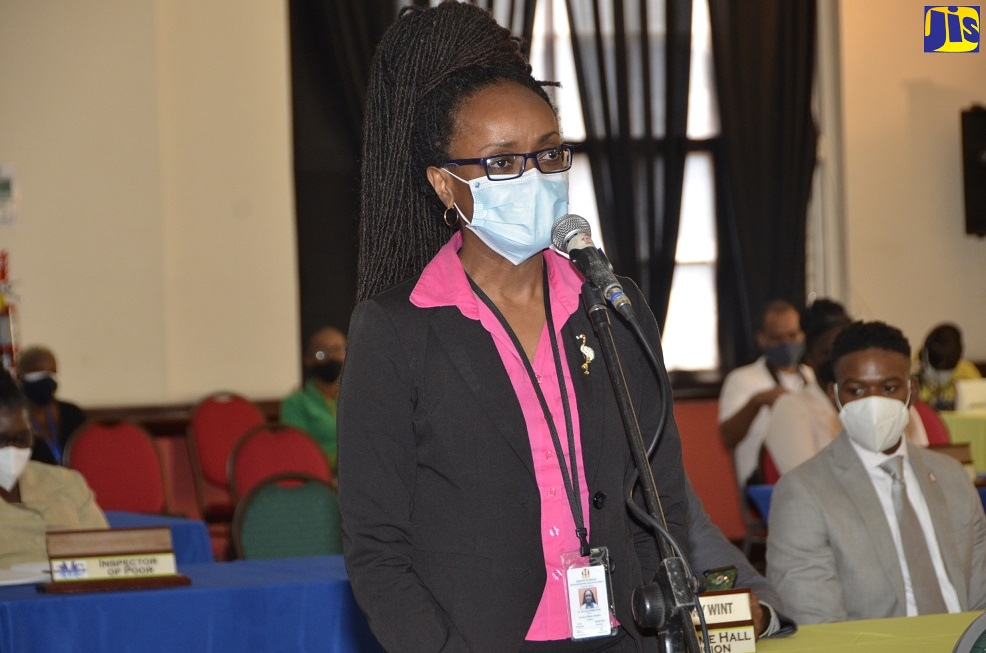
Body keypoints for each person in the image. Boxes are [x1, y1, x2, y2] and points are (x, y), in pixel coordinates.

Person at [337, 4, 690, 651]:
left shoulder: (611, 304)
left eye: (549, 154)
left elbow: (660, 498)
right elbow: (377, 548)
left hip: (621, 633)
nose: (534, 177)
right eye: (502, 163)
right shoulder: (396, 331)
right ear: (445, 184)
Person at [766, 321, 986, 624]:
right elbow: (816, 623)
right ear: (835, 395)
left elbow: (981, 597)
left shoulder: (952, 478)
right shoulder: (803, 494)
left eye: (889, 388)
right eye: (856, 390)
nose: (873, 403)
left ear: (912, 391)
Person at [763, 300, 931, 477]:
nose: (836, 362)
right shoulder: (790, 408)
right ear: (809, 357)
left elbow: (923, 470)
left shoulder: (895, 403)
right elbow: (808, 482)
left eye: (844, 353)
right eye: (828, 353)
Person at [0, 368, 107, 569]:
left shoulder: (67, 483)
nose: (11, 450)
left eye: (21, 439)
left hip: (74, 588)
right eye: (1, 440)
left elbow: (106, 557)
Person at [719, 300, 813, 486]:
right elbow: (728, 437)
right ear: (761, 339)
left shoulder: (811, 377)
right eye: (777, 338)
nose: (786, 343)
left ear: (802, 335)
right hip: (763, 486)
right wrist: (757, 401)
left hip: (807, 481)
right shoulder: (742, 379)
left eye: (792, 335)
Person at [280, 326, 347, 474]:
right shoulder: (296, 403)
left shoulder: (357, 399)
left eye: (338, 350)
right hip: (319, 478)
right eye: (322, 352)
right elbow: (298, 453)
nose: (331, 357)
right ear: (308, 359)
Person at [17, 345, 86, 466]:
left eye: (52, 372)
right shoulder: (13, 421)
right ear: (19, 377)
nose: (47, 378)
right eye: (38, 371)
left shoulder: (73, 414)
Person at [915, 323, 982, 410]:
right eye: (935, 372)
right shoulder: (907, 372)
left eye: (947, 373)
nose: (939, 378)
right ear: (924, 356)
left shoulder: (968, 375)